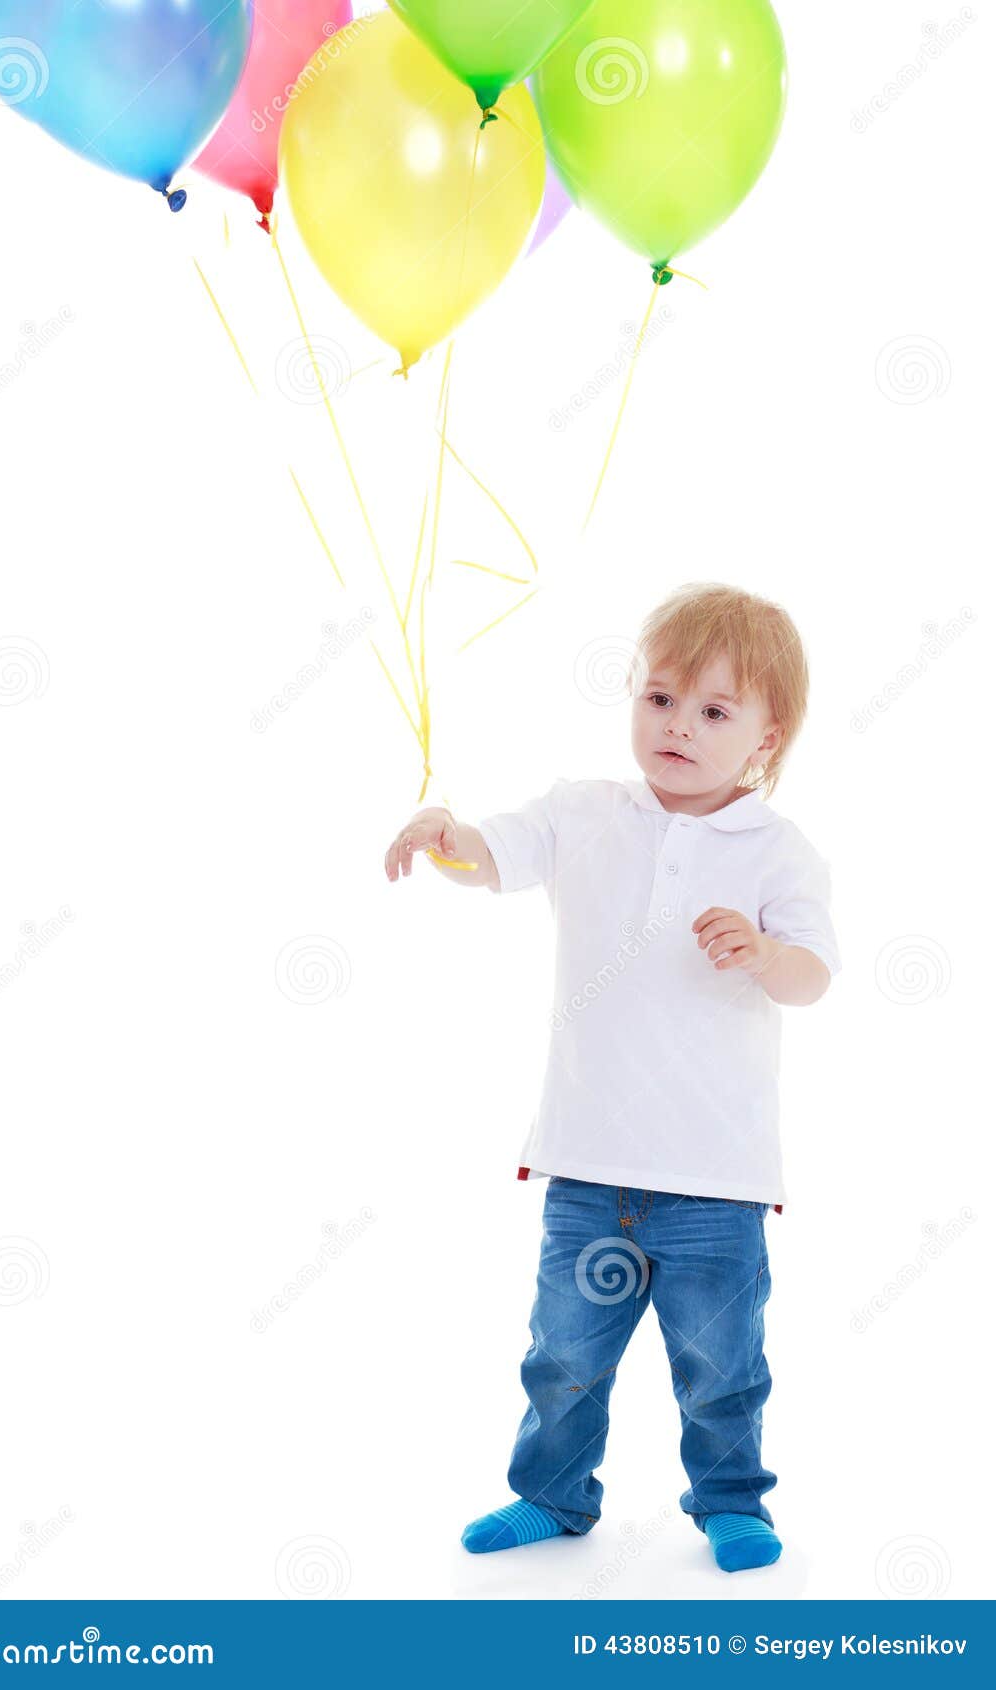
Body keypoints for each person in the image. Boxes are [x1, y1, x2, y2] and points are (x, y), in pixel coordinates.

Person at [384, 583, 840, 1574]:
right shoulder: (582, 812)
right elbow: (489, 856)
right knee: (562, 1357)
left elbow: (812, 975)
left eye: (714, 711)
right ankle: (549, 1494)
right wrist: (441, 834)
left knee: (722, 1368)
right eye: (660, 697)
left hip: (716, 1182)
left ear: (768, 736)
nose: (679, 725)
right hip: (588, 1167)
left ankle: (728, 1502)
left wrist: (764, 952)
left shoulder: (777, 850)